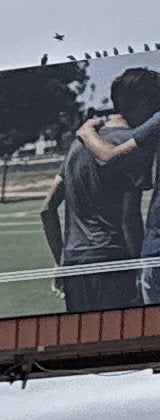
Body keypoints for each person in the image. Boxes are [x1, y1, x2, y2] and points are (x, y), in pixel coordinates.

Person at [56, 69, 160, 311]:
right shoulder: (137, 145)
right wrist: (134, 265)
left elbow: (48, 207)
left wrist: (86, 131)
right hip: (113, 256)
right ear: (144, 101)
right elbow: (128, 216)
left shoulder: (78, 145)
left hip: (75, 258)